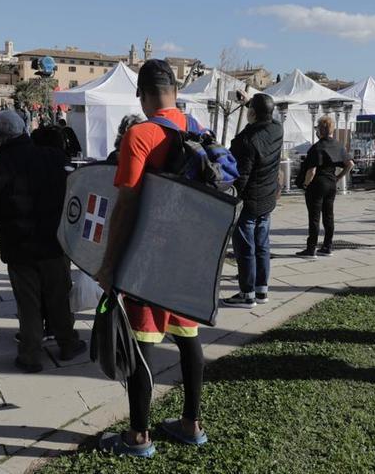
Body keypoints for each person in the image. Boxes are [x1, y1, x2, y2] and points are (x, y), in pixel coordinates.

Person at [95, 59, 207, 458]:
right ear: (175, 92)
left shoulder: (140, 133)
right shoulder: (198, 130)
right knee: (188, 338)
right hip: (190, 256)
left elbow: (125, 205)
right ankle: (191, 424)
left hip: (149, 256)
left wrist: (109, 265)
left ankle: (139, 437)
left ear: (141, 95)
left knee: (141, 342)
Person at [0, 111, 86, 373]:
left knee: (28, 302)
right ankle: (67, 344)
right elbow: (77, 196)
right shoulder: (55, 158)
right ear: (24, 129)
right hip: (55, 243)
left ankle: (31, 355)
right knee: (59, 296)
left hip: (18, 246)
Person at [221, 93, 283, 307]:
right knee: (262, 246)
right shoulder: (277, 129)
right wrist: (249, 102)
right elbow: (266, 116)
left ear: (253, 114)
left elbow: (241, 176)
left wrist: (230, 199)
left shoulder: (247, 141)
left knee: (245, 248)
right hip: (267, 198)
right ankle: (261, 290)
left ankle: (247, 293)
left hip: (249, 201)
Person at [296, 115, 353, 258]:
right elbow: (350, 164)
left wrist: (305, 184)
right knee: (329, 215)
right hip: (331, 183)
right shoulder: (339, 145)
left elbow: (312, 171)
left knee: (314, 217)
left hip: (317, 184)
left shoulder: (317, 147)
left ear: (320, 130)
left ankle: (311, 249)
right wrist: (339, 177)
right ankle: (327, 246)